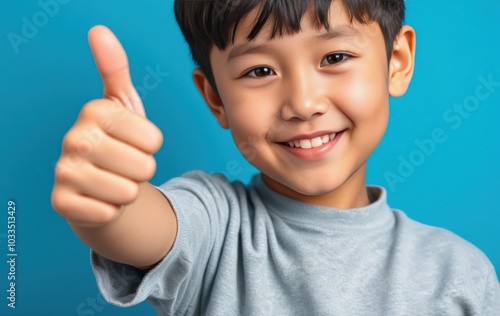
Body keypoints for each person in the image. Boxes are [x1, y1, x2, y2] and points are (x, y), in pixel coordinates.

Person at [51, 0, 500, 314]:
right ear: (216, 99)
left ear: (396, 60)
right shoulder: (215, 228)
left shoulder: (459, 273)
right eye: (259, 71)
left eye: (335, 56)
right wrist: (106, 198)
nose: (303, 104)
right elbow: (140, 225)